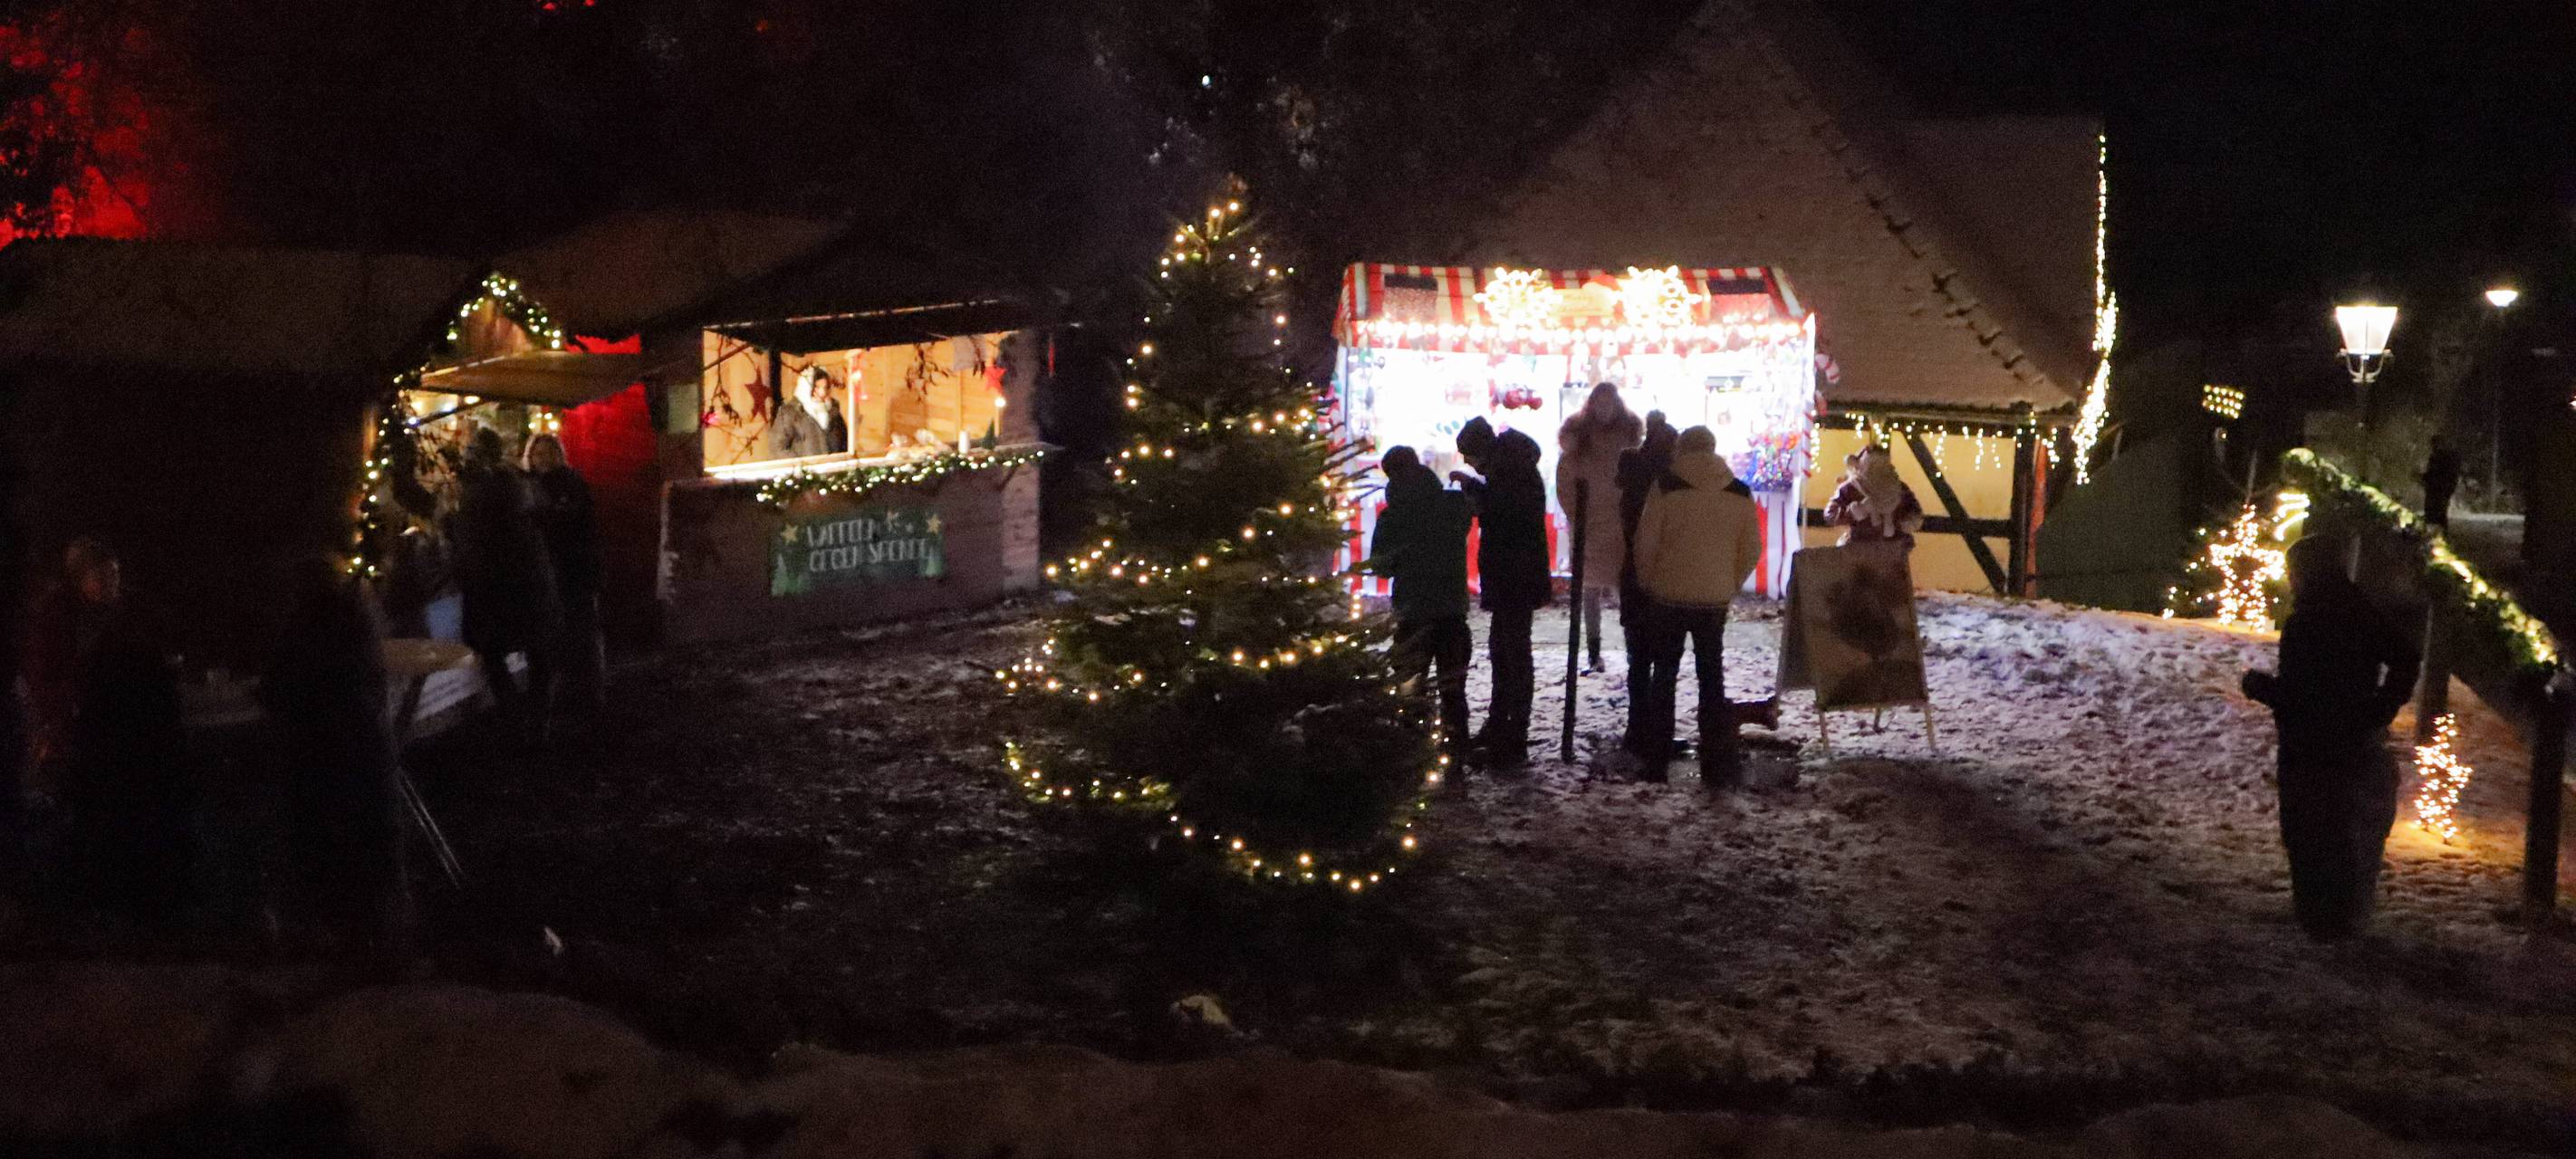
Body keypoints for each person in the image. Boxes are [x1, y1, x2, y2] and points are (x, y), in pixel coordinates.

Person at [2241, 535, 2418, 941]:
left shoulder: (2309, 621)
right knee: (2336, 828)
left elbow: (2304, 696)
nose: (2290, 581)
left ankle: (2322, 918)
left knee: (2310, 829)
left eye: (2293, 573)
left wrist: (2258, 686)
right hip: (2348, 737)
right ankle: (2335, 914)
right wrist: (2380, 705)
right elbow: (2406, 657)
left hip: (2311, 744)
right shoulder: (2357, 609)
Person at [24, 540, 190, 923]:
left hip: (128, 730)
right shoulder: (62, 618)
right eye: (101, 574)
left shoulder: (129, 612)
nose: (111, 581)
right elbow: (48, 676)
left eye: (114, 572)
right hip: (85, 730)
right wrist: (71, 704)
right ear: (80, 578)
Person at [260, 555, 408, 955]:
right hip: (366, 756)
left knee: (331, 854)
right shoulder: (356, 623)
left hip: (323, 763)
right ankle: (383, 939)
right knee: (370, 855)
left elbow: (278, 689)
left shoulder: (303, 628)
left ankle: (338, 943)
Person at [1632, 426, 1765, 787]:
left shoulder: (1665, 486)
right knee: (1711, 675)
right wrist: (1729, 582)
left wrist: (1648, 581)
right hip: (1713, 598)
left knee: (1665, 674)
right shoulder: (1738, 491)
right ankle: (1715, 753)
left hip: (1668, 595)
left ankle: (1656, 755)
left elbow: (1647, 542)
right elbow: (1752, 548)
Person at [448, 427, 562, 737]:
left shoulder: (477, 494)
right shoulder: (522, 484)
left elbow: (467, 543)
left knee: (495, 653)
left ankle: (515, 717)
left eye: (472, 450)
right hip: (530, 584)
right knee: (537, 653)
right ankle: (537, 720)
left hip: (499, 589)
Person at [1452, 417, 1551, 771]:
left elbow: (1503, 515)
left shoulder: (1510, 473)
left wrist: (1475, 491)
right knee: (1505, 651)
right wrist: (1477, 487)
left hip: (1514, 576)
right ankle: (1502, 727)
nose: (1466, 461)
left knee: (1512, 654)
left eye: (1467, 455)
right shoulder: (1512, 469)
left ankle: (1512, 735)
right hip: (1516, 575)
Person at [1370, 446, 1474, 761]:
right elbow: (1468, 518)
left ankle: (1413, 754)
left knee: (1410, 689)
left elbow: (1381, 566)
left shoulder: (1393, 516)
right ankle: (1455, 753)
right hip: (1452, 612)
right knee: (1453, 689)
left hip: (1413, 613)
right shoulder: (1453, 505)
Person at [1556, 384, 1642, 675]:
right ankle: (1594, 651)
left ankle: (1633, 650)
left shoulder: (1629, 438)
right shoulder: (1578, 439)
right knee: (1589, 592)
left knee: (1624, 589)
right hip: (1590, 525)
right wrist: (1578, 517)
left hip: (1618, 525)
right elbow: (1566, 483)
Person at [524, 434, 605, 716]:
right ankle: (573, 690)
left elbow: (569, 521)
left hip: (574, 571)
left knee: (580, 629)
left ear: (559, 455)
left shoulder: (569, 484)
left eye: (548, 453)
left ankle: (588, 691)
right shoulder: (531, 487)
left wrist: (538, 518)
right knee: (562, 633)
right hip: (552, 574)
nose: (543, 459)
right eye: (538, 454)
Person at [1616, 412, 1679, 761]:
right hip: (1666, 577)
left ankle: (1636, 728)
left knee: (1638, 659)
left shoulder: (1632, 471)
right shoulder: (1672, 480)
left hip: (1634, 575)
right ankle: (1659, 732)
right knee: (1665, 662)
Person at [1823, 445, 1924, 548]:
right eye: (1872, 465)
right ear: (1862, 465)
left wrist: (1909, 522)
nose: (1878, 469)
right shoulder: (1850, 488)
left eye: (1882, 465)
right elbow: (1830, 514)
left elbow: (1915, 512)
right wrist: (1852, 513)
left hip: (1893, 547)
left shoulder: (1899, 488)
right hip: (1860, 545)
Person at [771, 366, 850, 459]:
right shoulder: (790, 414)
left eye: (825, 387)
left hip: (832, 471)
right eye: (817, 387)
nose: (822, 393)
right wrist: (802, 467)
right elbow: (778, 448)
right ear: (807, 387)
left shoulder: (834, 413)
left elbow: (844, 444)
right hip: (804, 472)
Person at [2422, 435, 2461, 529]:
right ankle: (2437, 534)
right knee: (2436, 513)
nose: (2433, 447)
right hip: (2437, 489)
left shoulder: (2443, 457)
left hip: (2440, 490)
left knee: (2437, 513)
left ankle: (2438, 534)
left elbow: (2441, 474)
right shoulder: (2437, 457)